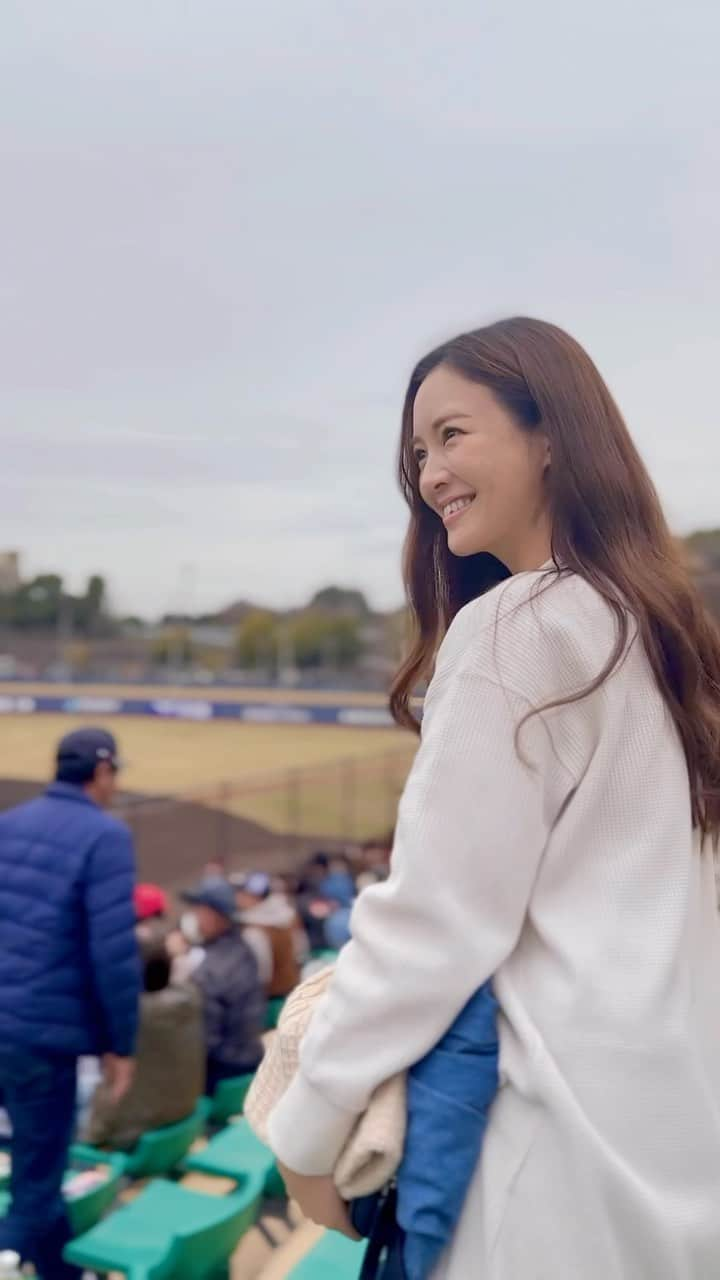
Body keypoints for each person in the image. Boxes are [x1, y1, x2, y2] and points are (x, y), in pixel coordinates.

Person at [264, 317, 720, 1278]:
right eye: (419, 452)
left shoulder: (519, 624)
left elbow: (436, 921)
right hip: (668, 1157)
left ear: (550, 434)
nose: (429, 473)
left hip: (541, 1159)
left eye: (453, 434)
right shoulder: (667, 635)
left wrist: (309, 1133)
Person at [0, 727, 140, 1280]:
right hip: (40, 1039)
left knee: (37, 1163)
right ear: (102, 772)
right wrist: (120, 1046)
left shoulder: (9, 823)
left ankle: (60, 1269)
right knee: (39, 1172)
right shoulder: (105, 836)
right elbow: (114, 954)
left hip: (14, 1025)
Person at [84, 933, 204, 1151]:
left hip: (131, 1136)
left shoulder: (127, 1020)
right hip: (179, 1122)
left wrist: (88, 1139)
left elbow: (102, 1116)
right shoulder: (189, 998)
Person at [182, 877, 265, 1092]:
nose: (195, 918)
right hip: (248, 1058)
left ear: (215, 916)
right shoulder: (244, 949)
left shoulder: (212, 967)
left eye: (199, 911)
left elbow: (204, 1038)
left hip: (224, 1067)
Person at [232, 871, 303, 998]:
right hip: (291, 993)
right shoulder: (289, 916)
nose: (237, 897)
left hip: (270, 1000)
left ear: (254, 897)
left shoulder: (254, 930)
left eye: (241, 893)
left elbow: (261, 976)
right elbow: (301, 950)